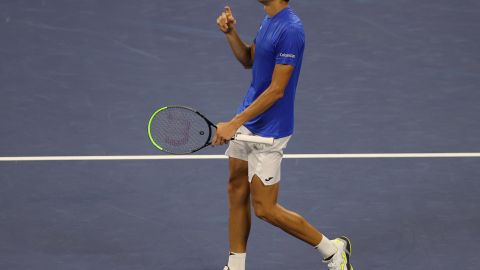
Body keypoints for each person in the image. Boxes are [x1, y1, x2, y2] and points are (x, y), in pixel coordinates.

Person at [213, 1, 353, 270]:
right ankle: (236, 265)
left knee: (265, 208)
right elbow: (248, 60)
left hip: (271, 130)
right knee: (236, 187)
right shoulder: (270, 19)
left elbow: (277, 90)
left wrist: (233, 123)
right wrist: (231, 33)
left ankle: (333, 250)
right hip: (249, 117)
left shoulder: (291, 29)